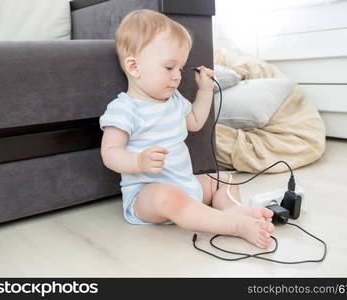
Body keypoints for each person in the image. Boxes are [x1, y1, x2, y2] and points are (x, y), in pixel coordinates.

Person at [99, 9, 274, 248]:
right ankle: (233, 225)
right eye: (169, 67)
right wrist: (138, 162)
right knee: (166, 197)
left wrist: (204, 91)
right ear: (134, 66)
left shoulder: (175, 100)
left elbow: (195, 122)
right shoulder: (125, 108)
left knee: (223, 179)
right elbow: (110, 152)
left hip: (186, 184)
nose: (177, 77)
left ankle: (234, 209)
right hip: (147, 195)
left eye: (180, 69)